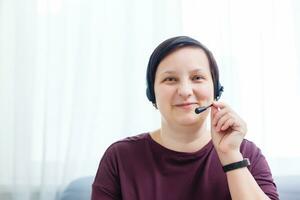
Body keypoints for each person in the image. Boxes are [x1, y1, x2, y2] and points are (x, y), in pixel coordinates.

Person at [92, 36, 279, 199]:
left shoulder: (245, 152)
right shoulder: (120, 157)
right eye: (170, 79)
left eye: (197, 77)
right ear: (152, 93)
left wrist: (231, 157)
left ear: (216, 90)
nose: (185, 91)